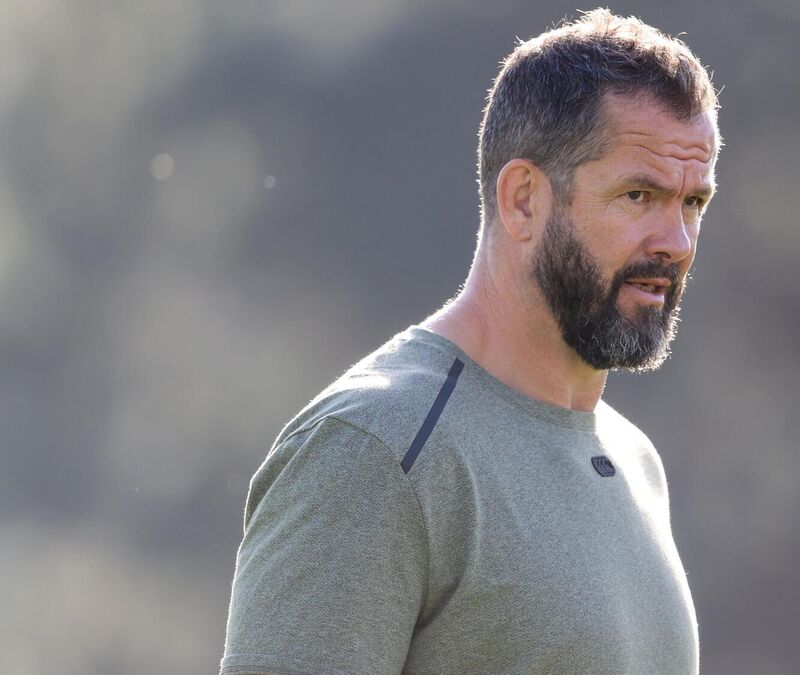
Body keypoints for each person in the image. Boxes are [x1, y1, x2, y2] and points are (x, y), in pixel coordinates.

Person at [220, 8, 720, 674]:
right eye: (638, 195)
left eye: (693, 203)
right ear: (523, 200)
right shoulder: (375, 449)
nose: (676, 243)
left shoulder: (636, 460)